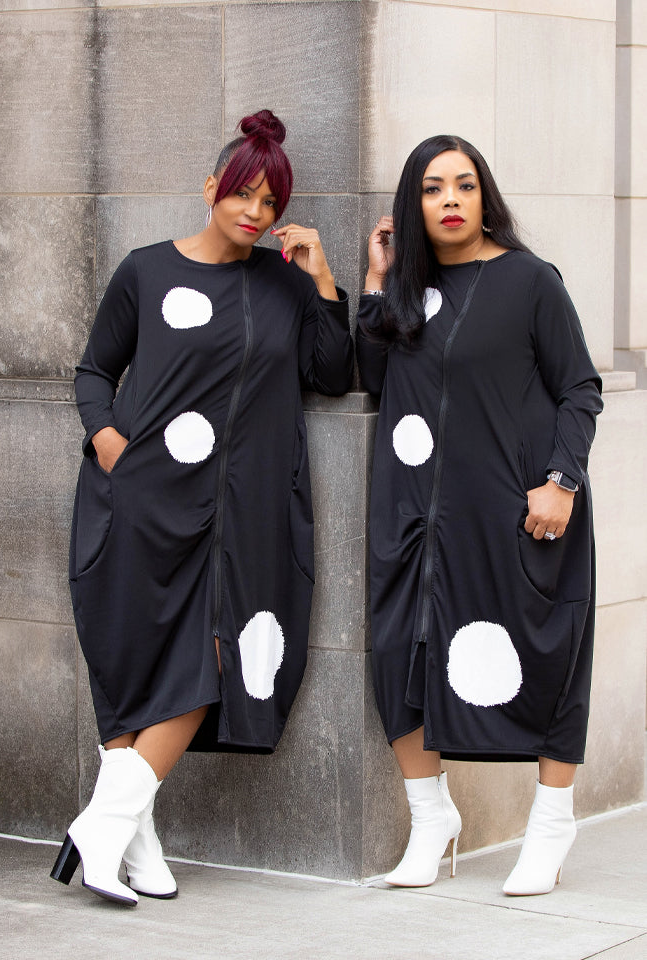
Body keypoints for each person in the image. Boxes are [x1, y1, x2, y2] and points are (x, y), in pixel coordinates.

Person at [51, 109, 353, 906]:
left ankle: (101, 828)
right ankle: (133, 842)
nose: (255, 212)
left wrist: (323, 279)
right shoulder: (146, 272)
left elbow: (332, 373)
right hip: (142, 499)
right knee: (133, 664)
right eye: (243, 194)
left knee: (210, 663)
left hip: (241, 516)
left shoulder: (285, 284)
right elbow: (93, 370)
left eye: (271, 202)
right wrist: (109, 445)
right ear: (211, 187)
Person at [356, 135, 602, 896]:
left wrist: (561, 480)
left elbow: (580, 387)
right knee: (398, 656)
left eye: (464, 185)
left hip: (520, 509)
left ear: (485, 196)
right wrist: (375, 282)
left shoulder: (529, 280)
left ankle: (552, 824)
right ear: (414, 205)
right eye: (432, 189)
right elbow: (371, 376)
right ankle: (430, 818)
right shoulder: (407, 293)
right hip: (416, 519)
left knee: (549, 658)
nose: (451, 201)